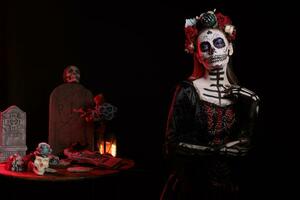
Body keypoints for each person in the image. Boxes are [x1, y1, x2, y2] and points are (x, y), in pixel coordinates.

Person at [160, 10, 260, 200]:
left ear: (230, 48)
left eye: (218, 43)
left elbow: (247, 146)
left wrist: (254, 104)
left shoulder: (245, 97)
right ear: (197, 55)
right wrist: (216, 151)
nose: (213, 50)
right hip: (191, 187)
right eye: (205, 47)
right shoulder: (186, 91)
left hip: (229, 187)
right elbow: (171, 146)